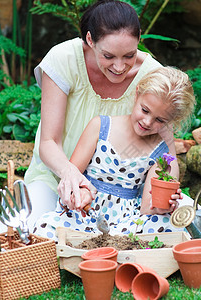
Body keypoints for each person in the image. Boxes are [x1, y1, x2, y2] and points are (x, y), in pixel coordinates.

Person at [23, 0, 179, 231]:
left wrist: (163, 189)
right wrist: (71, 176)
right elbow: (48, 142)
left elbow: (165, 148)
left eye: (129, 55)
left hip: (120, 194)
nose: (119, 67)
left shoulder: (152, 75)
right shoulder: (64, 58)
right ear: (89, 40)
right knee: (30, 232)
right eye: (108, 56)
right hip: (56, 175)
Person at [33, 66, 195, 239]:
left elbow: (147, 209)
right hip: (84, 216)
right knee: (45, 225)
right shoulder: (101, 126)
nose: (147, 122)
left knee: (168, 227)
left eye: (160, 120)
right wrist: (79, 195)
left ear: (172, 120)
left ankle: (111, 250)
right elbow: (73, 177)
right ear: (137, 94)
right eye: (145, 110)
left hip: (127, 222)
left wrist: (162, 207)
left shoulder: (160, 152)